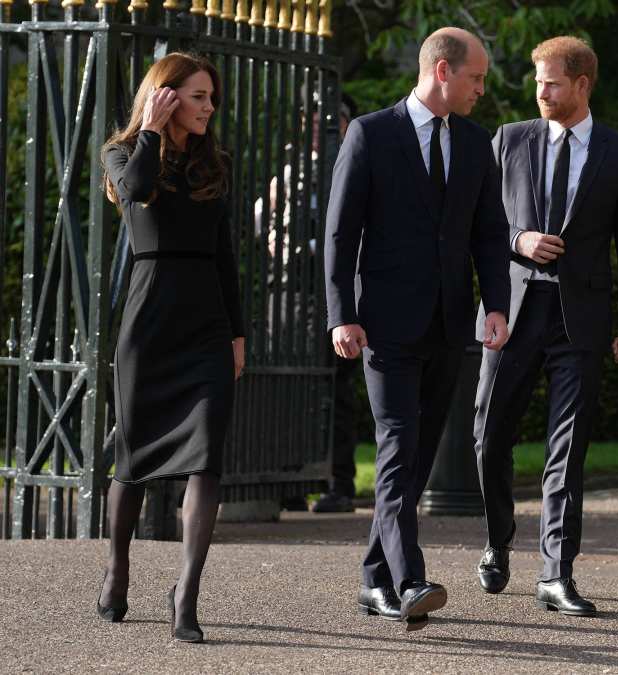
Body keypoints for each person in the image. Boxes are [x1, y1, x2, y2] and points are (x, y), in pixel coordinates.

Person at [324, 27, 511, 631]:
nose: (482, 89)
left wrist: (496, 305)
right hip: (383, 324)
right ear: (442, 72)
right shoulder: (371, 134)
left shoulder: (478, 143)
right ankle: (409, 581)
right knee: (399, 447)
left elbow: (488, 232)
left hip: (449, 324)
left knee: (417, 457)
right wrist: (341, 314)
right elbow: (340, 231)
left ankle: (374, 580)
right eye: (476, 77)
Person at [471, 36, 618, 617]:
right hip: (512, 310)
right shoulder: (510, 138)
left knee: (567, 449)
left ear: (582, 85)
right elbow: (483, 223)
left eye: (551, 82)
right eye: (537, 81)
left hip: (581, 318)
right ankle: (498, 540)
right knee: (489, 433)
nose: (539, 91)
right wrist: (519, 240)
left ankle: (556, 572)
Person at [98, 53, 245, 644]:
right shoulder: (125, 153)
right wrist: (153, 133)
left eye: (212, 97)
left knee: (207, 456)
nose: (210, 106)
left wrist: (237, 333)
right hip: (150, 321)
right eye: (199, 96)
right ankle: (118, 568)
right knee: (132, 461)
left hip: (206, 323)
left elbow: (227, 255)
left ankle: (187, 592)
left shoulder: (216, 164)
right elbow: (134, 193)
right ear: (166, 97)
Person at [253, 95, 362, 513]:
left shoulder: (356, 164)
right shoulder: (292, 168)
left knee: (336, 389)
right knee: (289, 386)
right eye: (313, 119)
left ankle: (340, 482)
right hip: (290, 288)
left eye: (332, 119)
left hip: (337, 291)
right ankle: (291, 478)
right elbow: (266, 219)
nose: (321, 126)